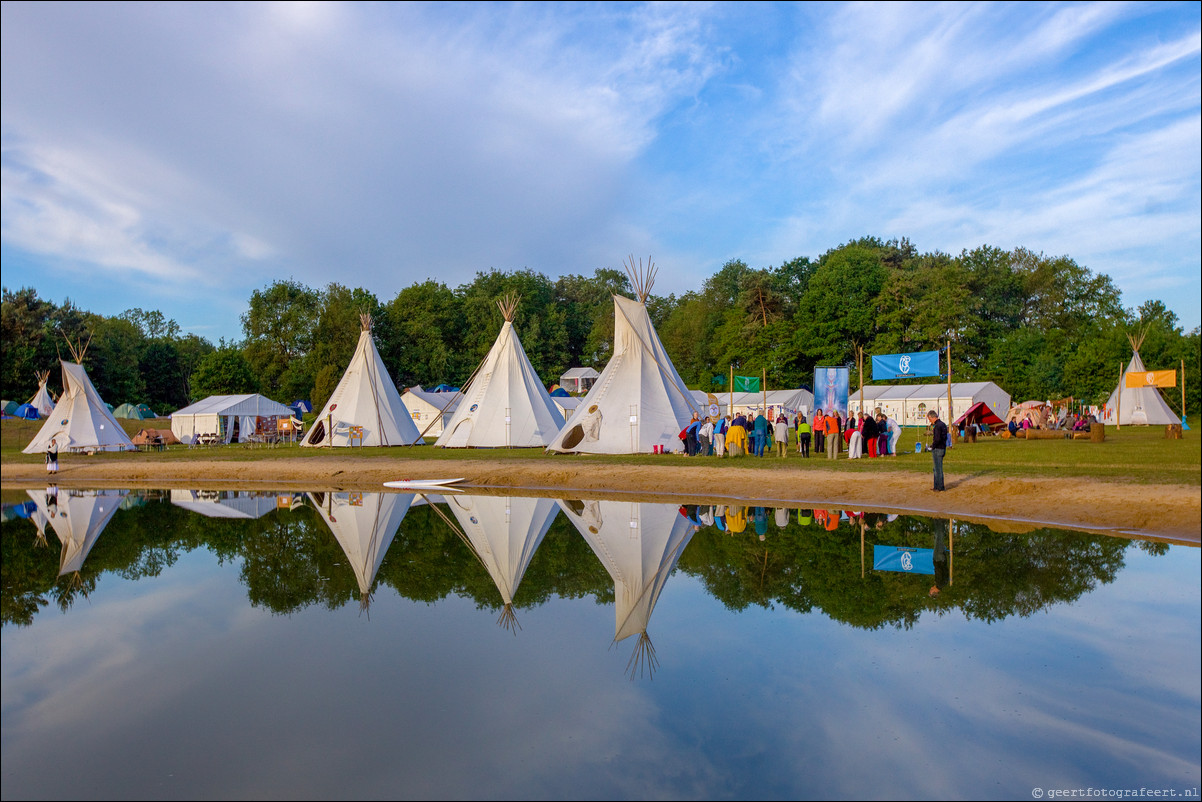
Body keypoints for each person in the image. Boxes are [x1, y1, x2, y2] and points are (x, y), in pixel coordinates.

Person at [928, 409, 948, 491]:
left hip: (938, 449)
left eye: (929, 419)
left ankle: (940, 487)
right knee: (937, 468)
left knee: (937, 469)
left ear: (932, 417)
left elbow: (937, 439)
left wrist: (932, 446)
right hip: (942, 448)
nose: (929, 421)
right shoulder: (943, 424)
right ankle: (936, 486)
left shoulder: (937, 426)